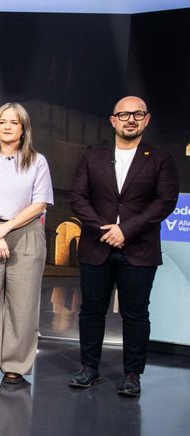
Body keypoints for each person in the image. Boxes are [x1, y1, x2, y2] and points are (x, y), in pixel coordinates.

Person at [68, 96, 178, 397]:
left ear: (147, 119)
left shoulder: (161, 159)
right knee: (91, 311)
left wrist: (125, 231)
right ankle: (89, 368)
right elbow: (78, 197)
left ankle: (132, 374)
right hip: (97, 246)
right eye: (124, 114)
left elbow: (165, 202)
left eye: (138, 114)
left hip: (139, 249)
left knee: (136, 314)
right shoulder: (93, 157)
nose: (131, 119)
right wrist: (104, 230)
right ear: (113, 120)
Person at [0, 103, 53, 384]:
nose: (7, 127)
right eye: (2, 122)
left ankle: (16, 363)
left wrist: (6, 229)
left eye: (14, 122)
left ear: (24, 128)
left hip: (25, 233)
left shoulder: (37, 162)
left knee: (23, 304)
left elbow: (39, 204)